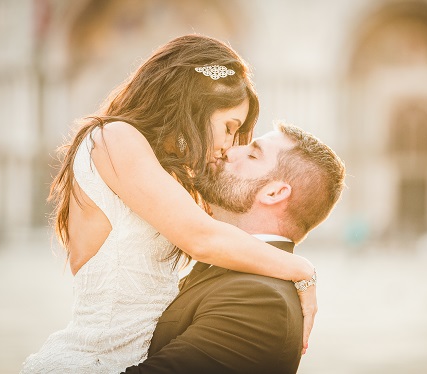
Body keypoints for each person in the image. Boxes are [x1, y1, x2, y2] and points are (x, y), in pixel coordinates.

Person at [21, 35, 317, 374]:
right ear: (194, 104)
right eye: (229, 127)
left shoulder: (161, 173)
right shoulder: (115, 138)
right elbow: (201, 238)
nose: (228, 145)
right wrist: (302, 271)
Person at [122, 122, 346, 374]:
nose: (228, 151)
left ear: (274, 193)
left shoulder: (261, 302)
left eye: (252, 154)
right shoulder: (231, 272)